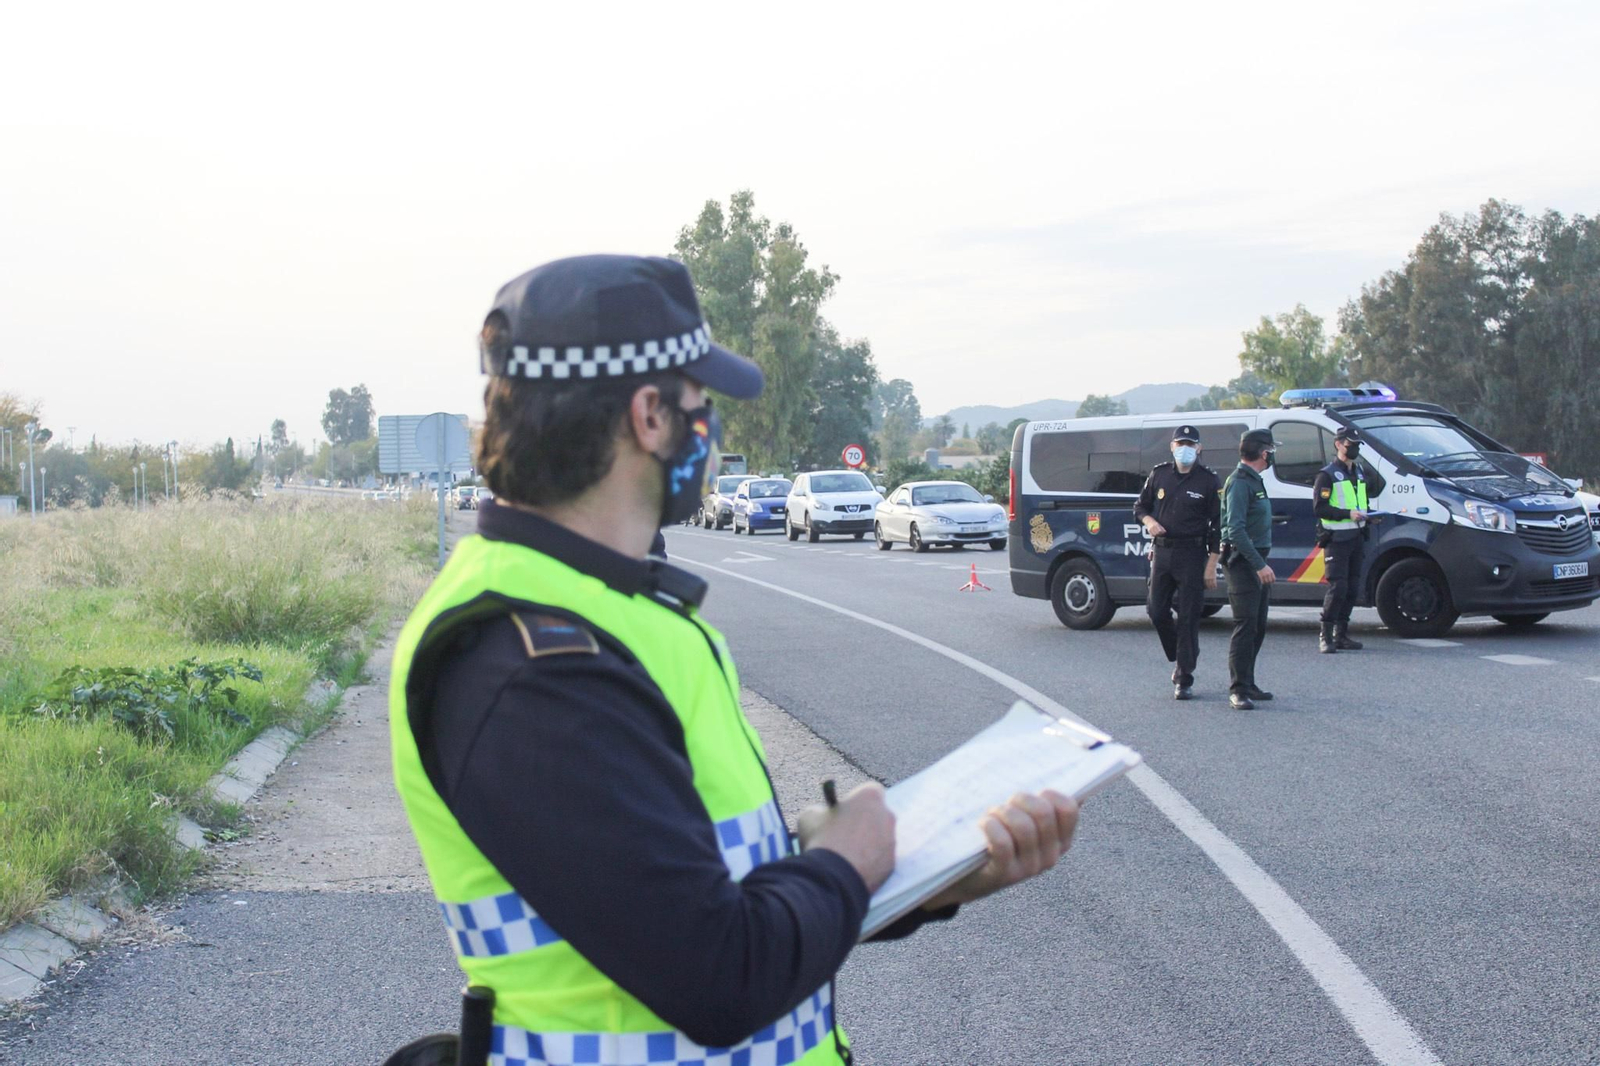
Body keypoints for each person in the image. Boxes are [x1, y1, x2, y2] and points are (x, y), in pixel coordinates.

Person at [387, 254, 1081, 1066]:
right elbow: (718, 972)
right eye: (701, 403)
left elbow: (690, 884)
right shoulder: (531, 659)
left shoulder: (605, 608)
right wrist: (845, 859)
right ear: (650, 416)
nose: (712, 430)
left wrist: (921, 878)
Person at [1133, 425, 1222, 700]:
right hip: (1162, 553)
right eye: (1180, 443)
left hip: (1193, 554)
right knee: (1156, 610)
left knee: (1188, 617)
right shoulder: (1159, 474)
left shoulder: (1209, 481)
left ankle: (1184, 677)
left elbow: (1218, 526)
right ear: (1172, 447)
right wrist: (1149, 522)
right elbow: (1140, 507)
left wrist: (1211, 564)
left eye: (1190, 444)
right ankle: (1183, 652)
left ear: (1199, 448)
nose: (1185, 449)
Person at [1222, 428, 1278, 710]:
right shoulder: (1240, 482)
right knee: (1245, 625)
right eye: (1270, 451)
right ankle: (1237, 690)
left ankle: (1248, 681)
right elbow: (1235, 529)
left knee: (1258, 625)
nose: (1272, 456)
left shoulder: (1254, 480)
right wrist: (1259, 565)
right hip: (1244, 562)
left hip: (1256, 559)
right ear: (1263, 453)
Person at [1313, 425, 1373, 653]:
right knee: (1338, 587)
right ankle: (1325, 635)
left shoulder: (1358, 472)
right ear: (1338, 444)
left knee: (1352, 588)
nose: (1354, 449)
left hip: (1357, 535)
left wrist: (1368, 516)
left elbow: (1360, 502)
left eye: (1357, 445)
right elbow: (1320, 508)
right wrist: (1348, 514)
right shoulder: (1327, 475)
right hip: (1337, 538)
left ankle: (1342, 634)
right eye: (1350, 445)